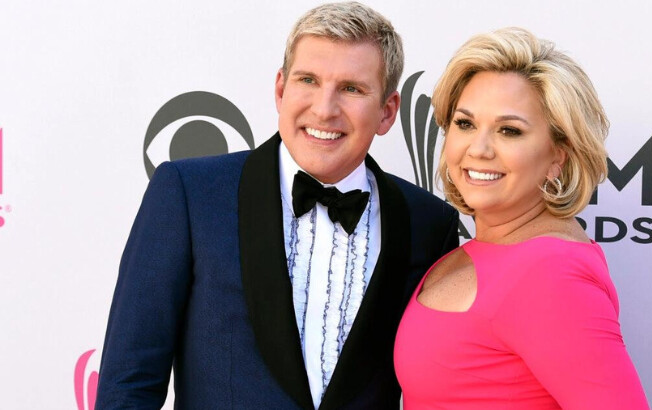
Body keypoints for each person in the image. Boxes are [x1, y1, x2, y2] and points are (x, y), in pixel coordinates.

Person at [95, 2, 458, 409]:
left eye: (352, 88)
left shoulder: (429, 223)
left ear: (387, 112)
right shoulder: (190, 194)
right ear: (281, 89)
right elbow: (128, 385)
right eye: (308, 80)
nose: (324, 108)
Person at [394, 27, 649, 409]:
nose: (477, 149)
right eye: (465, 124)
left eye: (509, 131)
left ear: (557, 156)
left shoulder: (551, 272)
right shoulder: (479, 249)